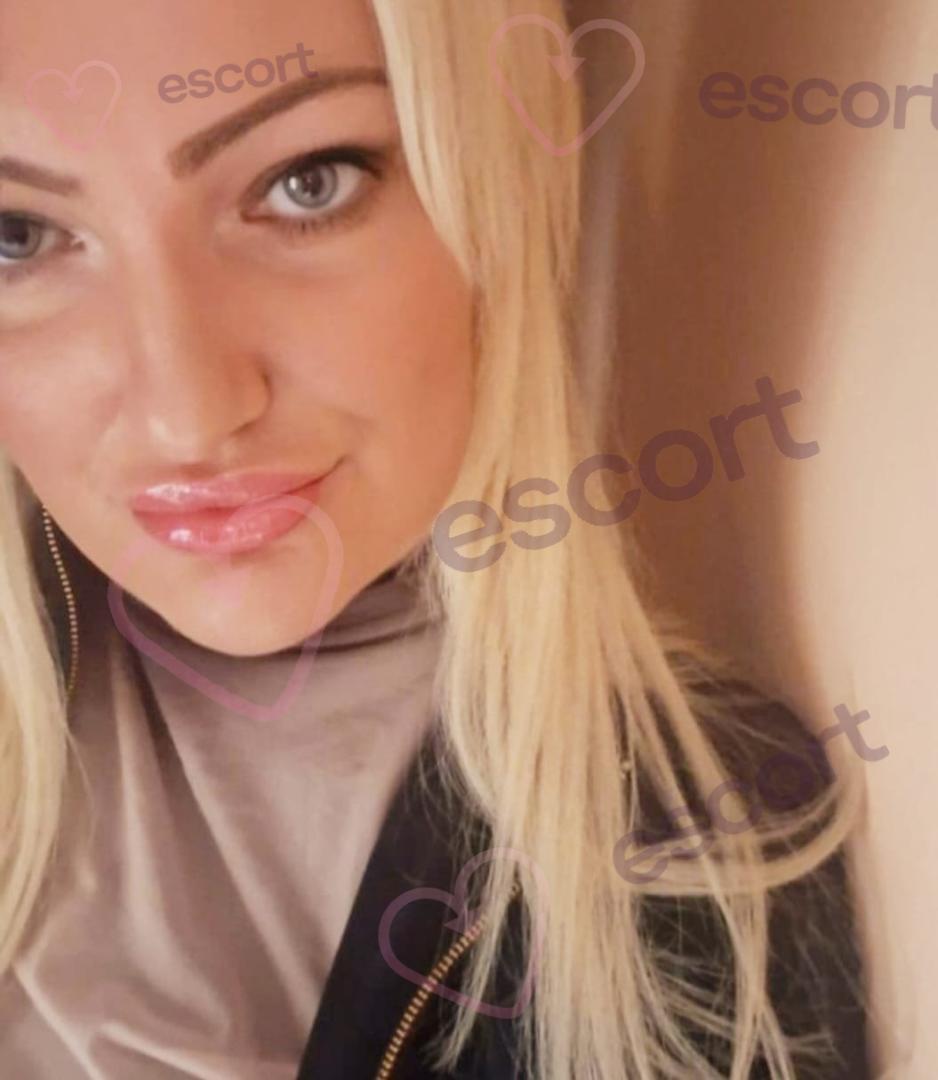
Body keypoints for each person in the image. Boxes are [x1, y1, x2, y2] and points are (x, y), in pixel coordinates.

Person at [0, 0, 870, 1076]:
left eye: (307, 183)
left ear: (495, 196)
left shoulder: (701, 854)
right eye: (17, 236)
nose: (188, 414)